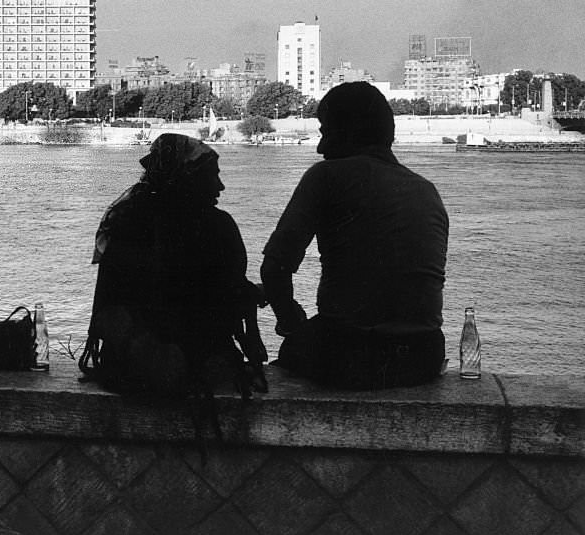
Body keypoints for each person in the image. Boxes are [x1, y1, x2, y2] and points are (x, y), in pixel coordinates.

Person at [260, 82, 449, 389]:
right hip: (423, 356)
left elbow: (274, 269)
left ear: (349, 132)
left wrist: (290, 321)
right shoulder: (427, 190)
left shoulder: (326, 176)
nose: (320, 148)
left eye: (325, 132)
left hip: (350, 353)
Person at [79, 133, 266, 399]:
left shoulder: (124, 219)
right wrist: (258, 294)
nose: (220, 186)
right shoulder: (216, 226)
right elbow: (225, 292)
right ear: (188, 177)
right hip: (197, 364)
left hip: (127, 367)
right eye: (212, 176)